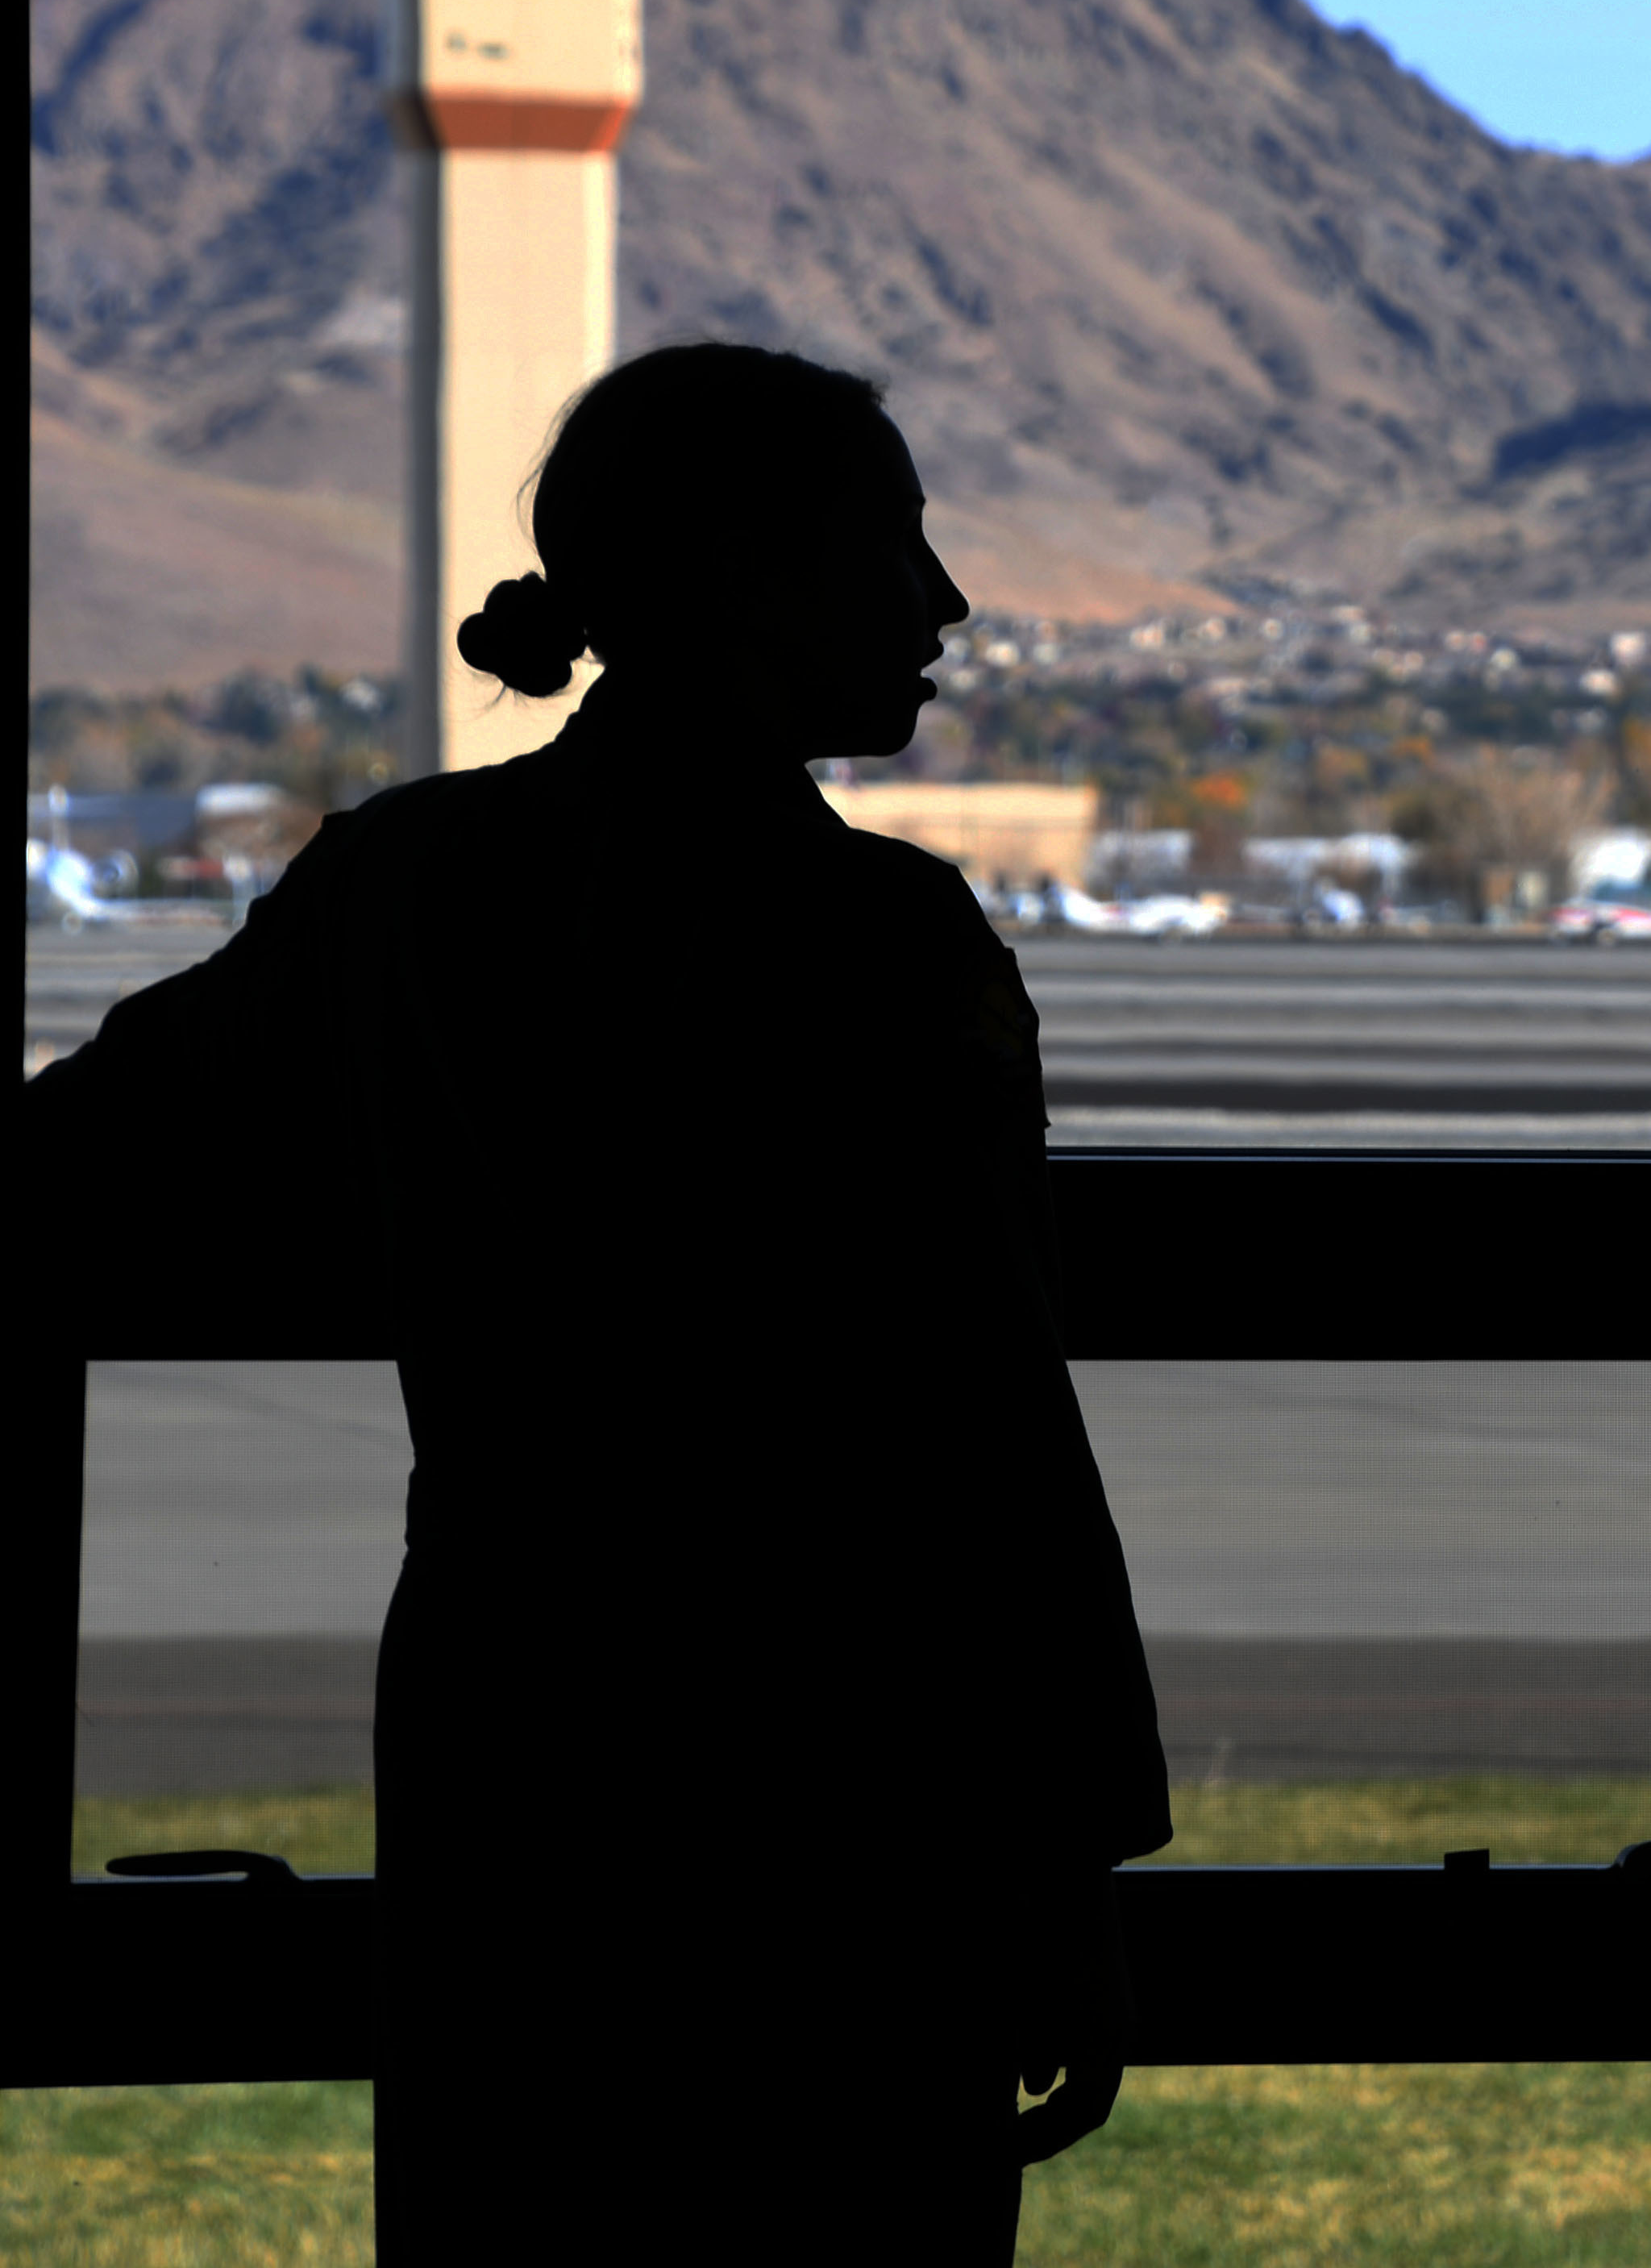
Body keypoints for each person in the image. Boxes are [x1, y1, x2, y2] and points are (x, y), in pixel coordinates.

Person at [29, 342, 1172, 2260]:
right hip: (844, 1800)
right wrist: (1061, 1855)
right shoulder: (880, 944)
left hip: (517, 1752)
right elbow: (986, 1433)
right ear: (745, 575)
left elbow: (81, 1154)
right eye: (896, 541)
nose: (948, 603)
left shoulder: (393, 885)